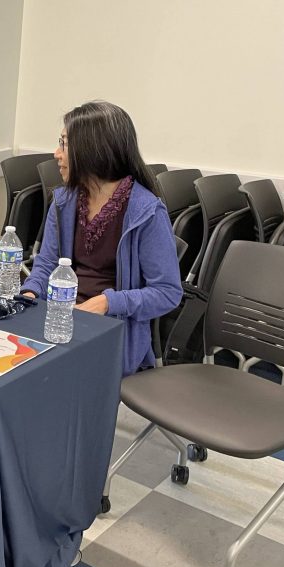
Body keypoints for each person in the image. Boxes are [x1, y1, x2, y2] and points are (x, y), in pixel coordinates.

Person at [20, 101, 182, 375]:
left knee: (44, 379)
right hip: (61, 317)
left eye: (64, 144)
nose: (56, 153)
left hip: (112, 329)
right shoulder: (64, 201)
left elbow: (168, 293)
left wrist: (107, 303)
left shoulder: (146, 211)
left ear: (92, 150)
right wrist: (29, 292)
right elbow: (46, 264)